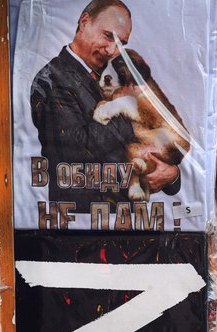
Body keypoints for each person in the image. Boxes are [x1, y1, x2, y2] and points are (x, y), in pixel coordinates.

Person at [30, 0, 179, 212]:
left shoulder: (118, 75)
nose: (112, 50)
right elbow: (76, 152)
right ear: (84, 22)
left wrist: (171, 174)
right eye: (108, 36)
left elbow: (165, 132)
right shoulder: (52, 79)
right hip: (81, 225)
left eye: (121, 44)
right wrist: (130, 109)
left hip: (125, 223)